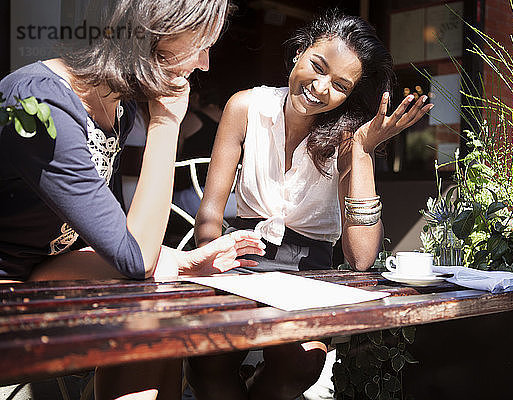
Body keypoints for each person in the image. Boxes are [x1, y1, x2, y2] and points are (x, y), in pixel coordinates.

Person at [0, 0, 265, 399]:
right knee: (148, 311)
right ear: (154, 28)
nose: (206, 63)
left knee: (161, 316)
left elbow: (113, 240)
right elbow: (133, 257)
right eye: (201, 43)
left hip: (43, 276)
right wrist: (165, 123)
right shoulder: (37, 103)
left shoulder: (114, 106)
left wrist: (180, 261)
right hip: (12, 291)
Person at [186, 9, 433, 400]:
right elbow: (211, 215)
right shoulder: (244, 108)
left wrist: (363, 152)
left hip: (309, 273)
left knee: (299, 364)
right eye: (316, 67)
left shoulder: (349, 136)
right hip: (238, 260)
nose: (320, 87)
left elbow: (361, 258)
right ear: (300, 50)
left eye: (340, 85)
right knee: (207, 362)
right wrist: (211, 263)